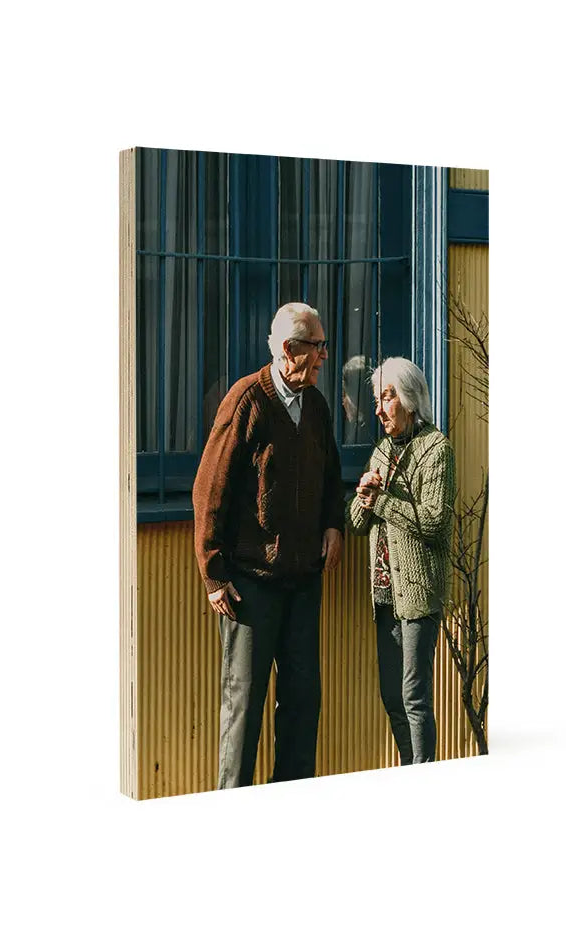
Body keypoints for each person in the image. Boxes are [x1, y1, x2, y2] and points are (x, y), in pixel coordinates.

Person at [193, 302, 345, 788]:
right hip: (249, 587)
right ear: (288, 350)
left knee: (302, 703)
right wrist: (214, 573)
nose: (325, 356)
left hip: (302, 581)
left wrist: (333, 524)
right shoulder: (245, 401)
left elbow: (330, 474)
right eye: (318, 346)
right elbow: (209, 488)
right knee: (245, 706)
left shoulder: (317, 406)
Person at [346, 357, 455, 765]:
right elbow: (356, 523)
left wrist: (385, 502)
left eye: (386, 398)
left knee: (415, 696)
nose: (377, 409)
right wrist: (363, 494)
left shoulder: (435, 450)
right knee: (392, 695)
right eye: (375, 400)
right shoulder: (381, 450)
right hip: (384, 593)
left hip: (417, 593)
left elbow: (436, 522)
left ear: (408, 399)